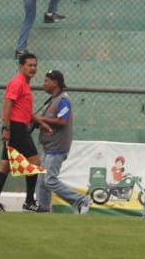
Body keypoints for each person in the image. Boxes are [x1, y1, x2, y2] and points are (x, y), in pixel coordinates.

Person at [0, 52, 42, 212]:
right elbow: (8, 104)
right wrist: (7, 128)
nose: (33, 68)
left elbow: (23, 109)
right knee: (35, 163)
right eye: (29, 65)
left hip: (18, 126)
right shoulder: (17, 82)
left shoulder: (24, 84)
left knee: (5, 166)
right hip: (16, 128)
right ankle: (29, 202)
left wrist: (38, 121)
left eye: (34, 65)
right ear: (21, 66)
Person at [32, 69, 91, 214]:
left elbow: (62, 121)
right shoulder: (53, 100)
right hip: (49, 146)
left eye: (46, 81)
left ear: (55, 83)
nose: (43, 84)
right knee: (42, 181)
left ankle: (82, 201)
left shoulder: (63, 100)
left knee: (50, 180)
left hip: (57, 147)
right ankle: (44, 207)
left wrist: (40, 119)